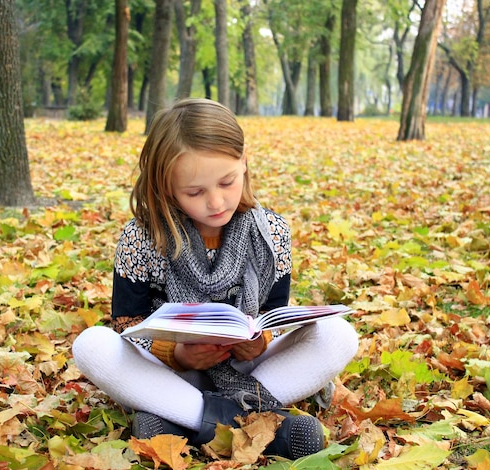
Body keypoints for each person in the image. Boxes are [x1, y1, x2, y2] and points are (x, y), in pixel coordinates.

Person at [72, 98, 359, 459]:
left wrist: (261, 340)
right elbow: (126, 325)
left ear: (243, 162)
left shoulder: (270, 232)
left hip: (246, 364)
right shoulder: (142, 237)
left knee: (339, 336)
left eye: (227, 181)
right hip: (171, 370)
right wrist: (175, 353)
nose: (216, 201)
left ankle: (180, 421)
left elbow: (274, 312)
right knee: (91, 345)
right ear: (167, 188)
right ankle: (253, 420)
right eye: (195, 192)